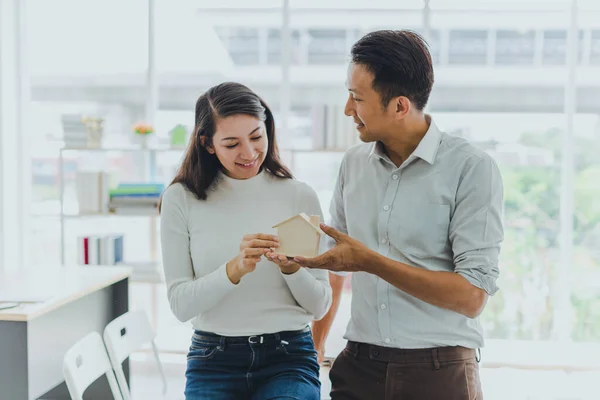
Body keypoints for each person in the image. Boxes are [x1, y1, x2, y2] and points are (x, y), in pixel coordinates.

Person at [303, 30, 504, 399]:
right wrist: (314, 347)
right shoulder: (353, 164)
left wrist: (371, 262)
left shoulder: (471, 168)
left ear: (399, 106)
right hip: (358, 366)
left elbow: (472, 296)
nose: (348, 110)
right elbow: (337, 261)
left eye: (356, 98)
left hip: (439, 371)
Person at [159, 82, 332, 400]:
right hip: (213, 359)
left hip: (289, 356)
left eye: (256, 137)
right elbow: (181, 305)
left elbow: (319, 305)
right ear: (207, 144)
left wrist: (292, 269)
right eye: (231, 143)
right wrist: (234, 270)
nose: (249, 153)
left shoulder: (299, 195)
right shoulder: (180, 199)